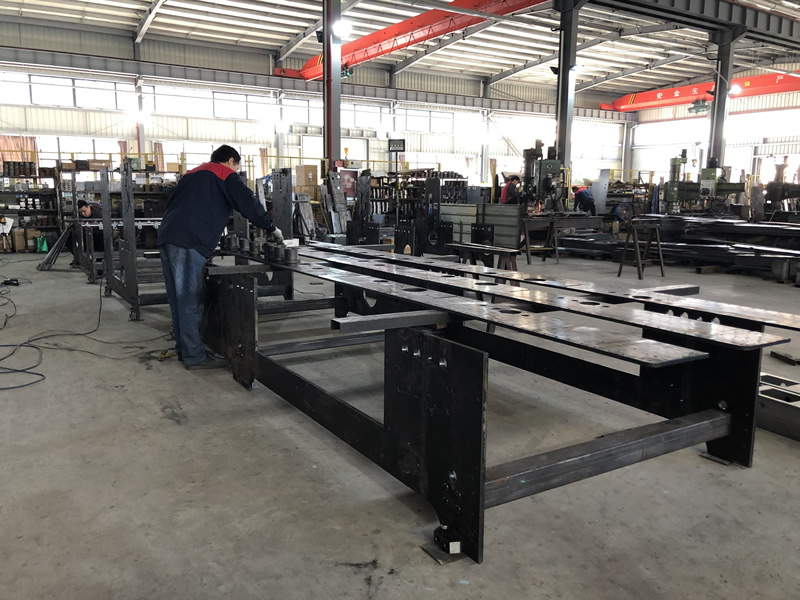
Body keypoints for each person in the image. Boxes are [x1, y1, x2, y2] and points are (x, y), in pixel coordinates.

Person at [158, 144, 283, 370]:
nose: (236, 171)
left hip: (168, 236)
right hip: (189, 240)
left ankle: (185, 349)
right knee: (190, 299)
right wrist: (271, 227)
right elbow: (247, 203)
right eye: (237, 167)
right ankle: (194, 356)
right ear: (230, 161)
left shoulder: (191, 174)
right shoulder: (224, 173)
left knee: (178, 298)